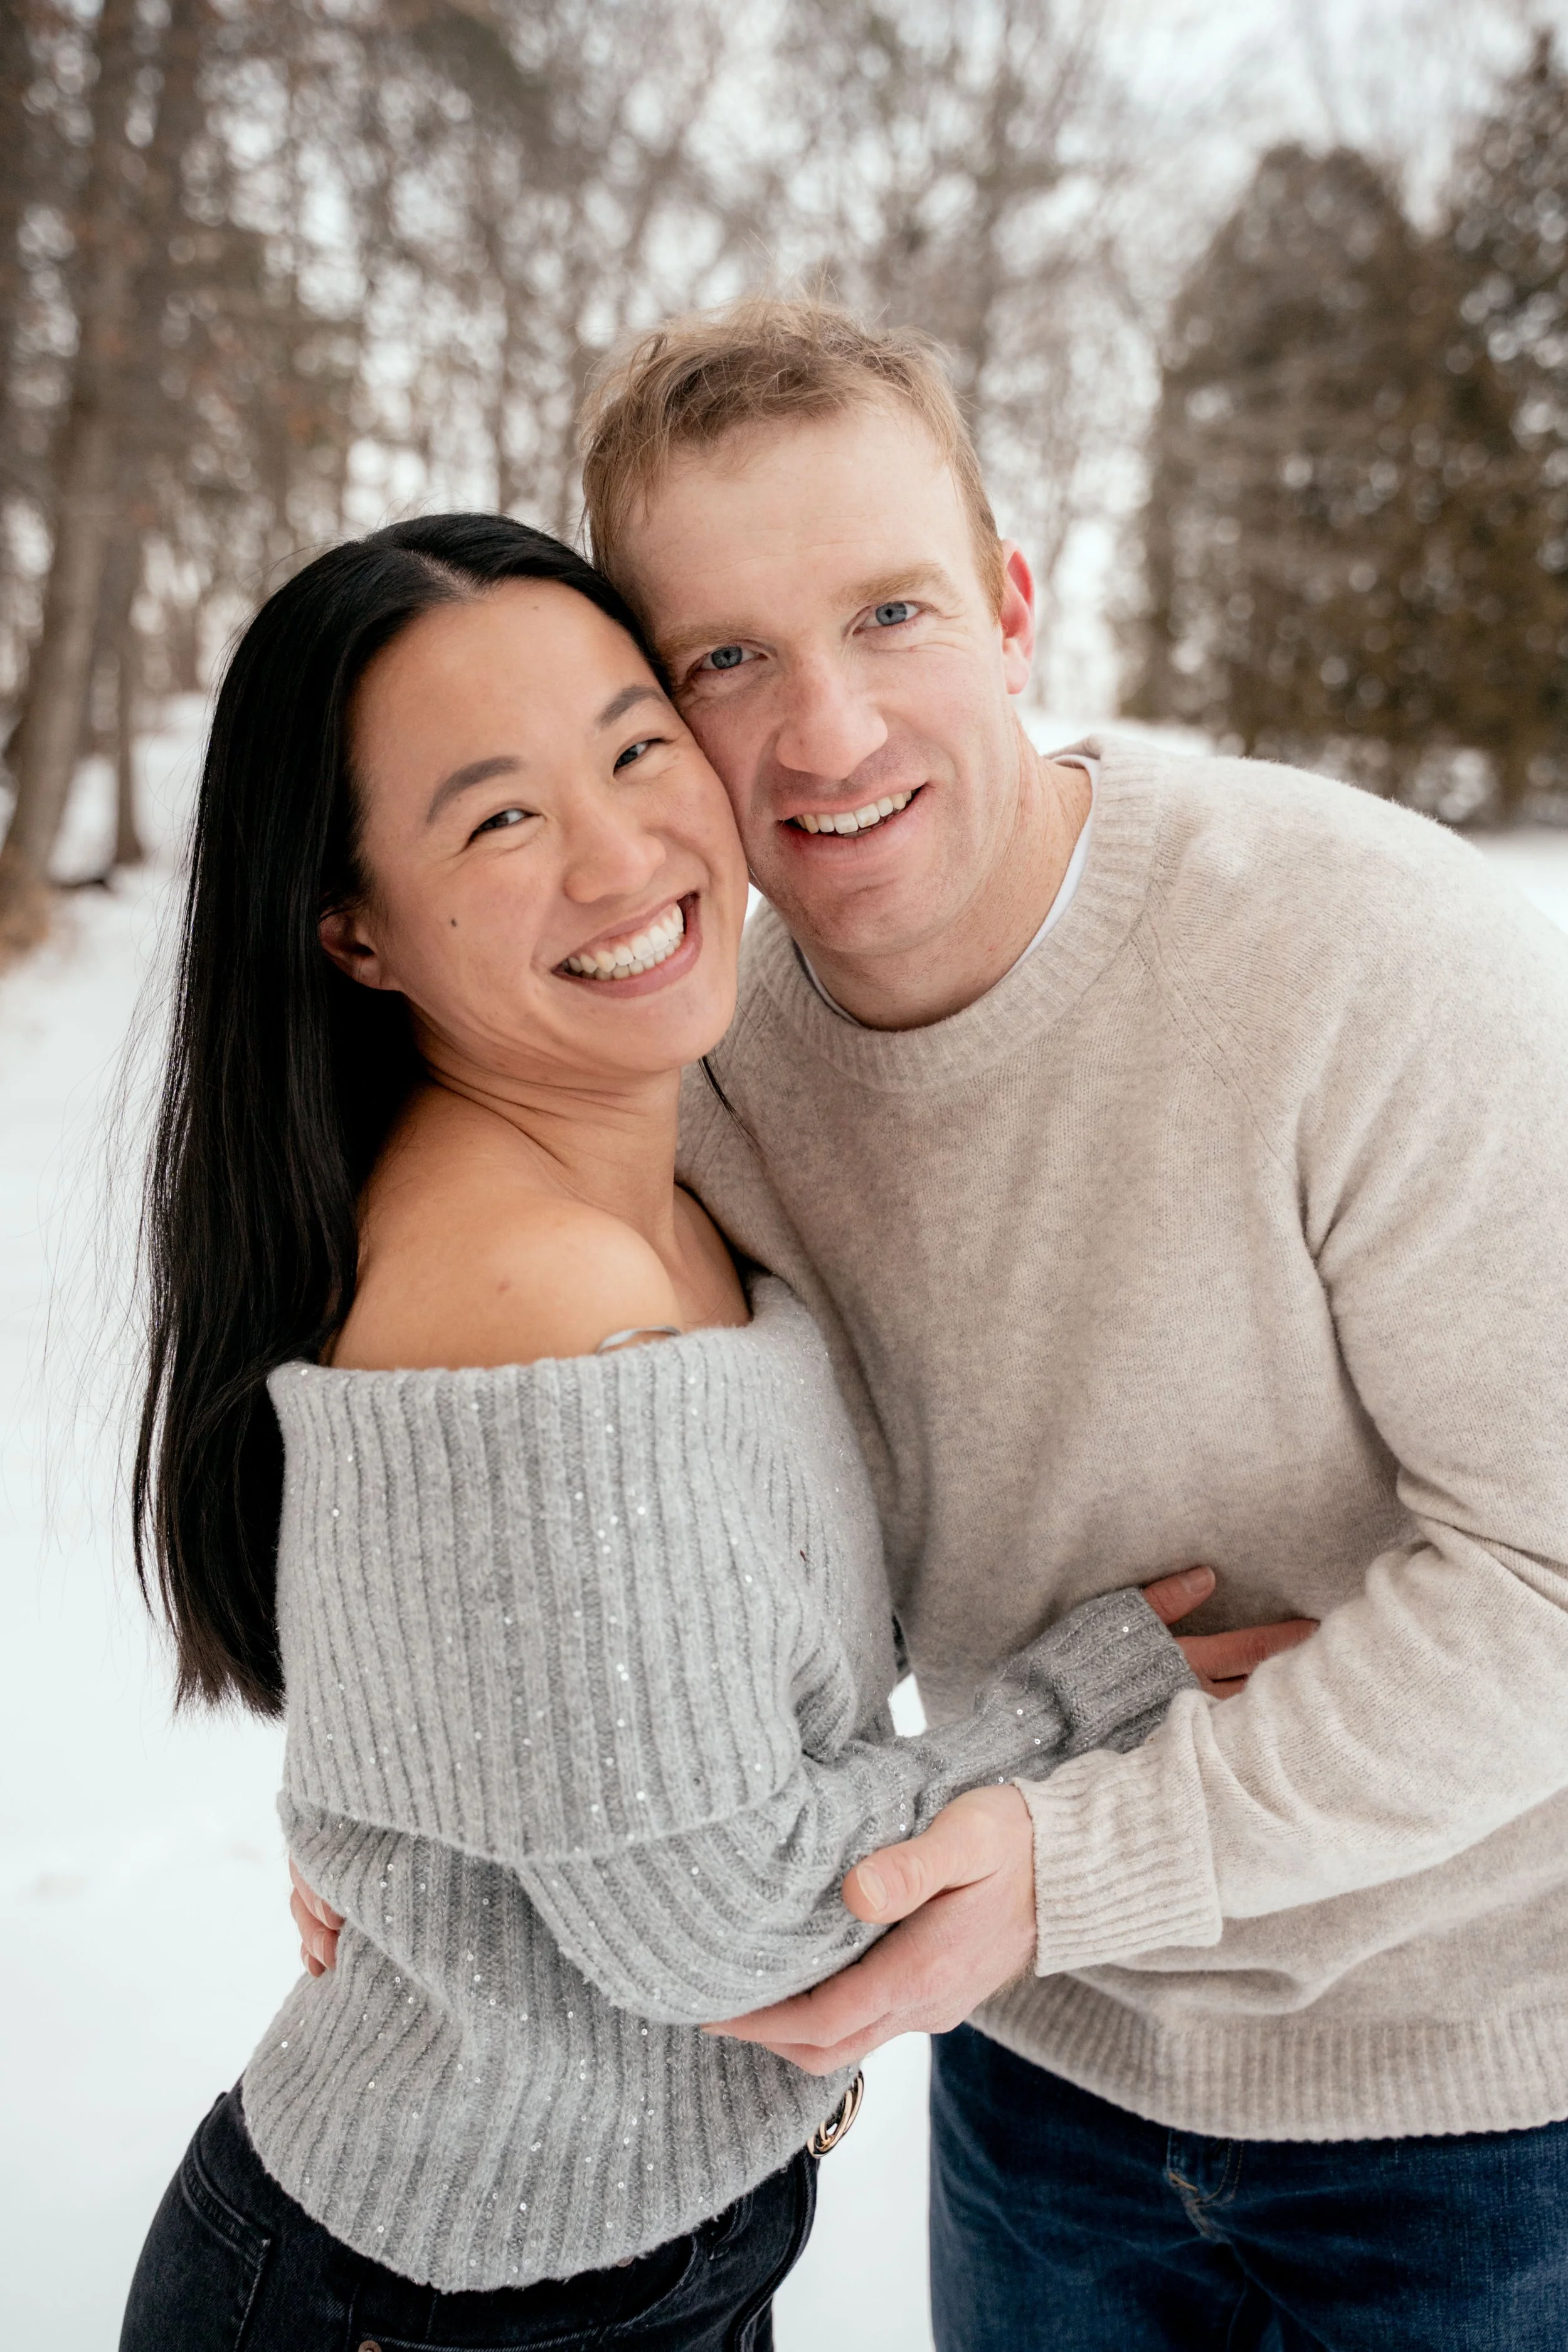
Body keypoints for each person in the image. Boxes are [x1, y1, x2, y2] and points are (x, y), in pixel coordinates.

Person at [303, 297, 1568, 2347]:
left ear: (1005, 604)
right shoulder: (685, 1057)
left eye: (889, 614)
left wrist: (1085, 1861)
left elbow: (1553, 1568)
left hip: (1476, 2102)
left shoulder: (1367, 960)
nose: (822, 732)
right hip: (1033, 2082)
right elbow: (493, 1437)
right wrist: (391, 1781)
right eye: (724, 660)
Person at [120, 514, 1293, 2351]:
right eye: (498, 817)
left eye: (634, 744)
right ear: (353, 927)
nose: (620, 853)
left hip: (604, 2254)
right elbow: (732, 1923)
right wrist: (1096, 1690)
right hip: (443, 2307)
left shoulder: (656, 1134)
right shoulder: (528, 1283)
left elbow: (498, 1662)